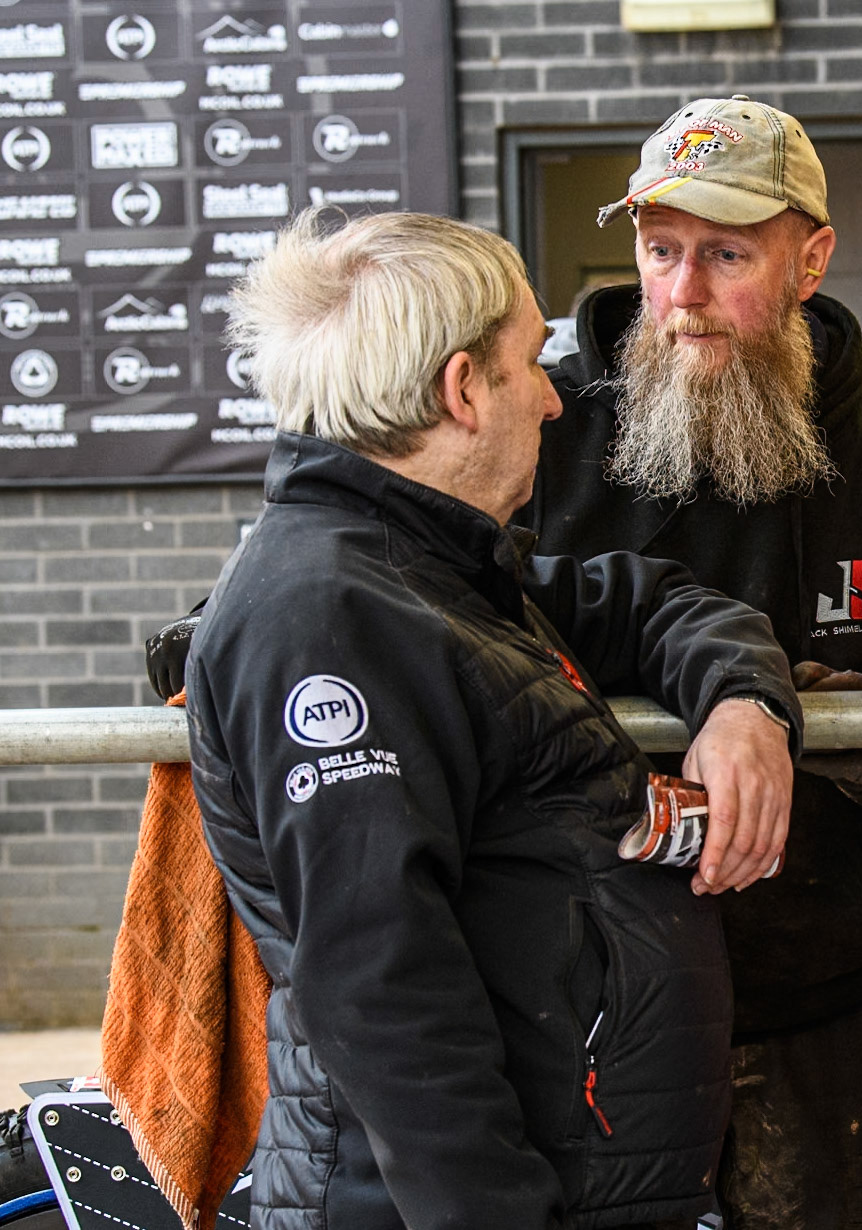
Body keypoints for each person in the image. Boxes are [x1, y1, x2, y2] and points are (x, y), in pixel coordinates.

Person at [183, 208, 801, 1230]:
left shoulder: (436, 571)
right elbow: (383, 989)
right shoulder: (336, 614)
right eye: (527, 363)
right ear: (461, 390)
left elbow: (652, 603)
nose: (555, 401)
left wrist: (744, 705)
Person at [520, 95, 862, 1230]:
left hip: (824, 1014)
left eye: (726, 254)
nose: (683, 294)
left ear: (811, 258)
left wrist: (844, 742)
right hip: (586, 1008)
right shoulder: (533, 436)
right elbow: (396, 571)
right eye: (660, 251)